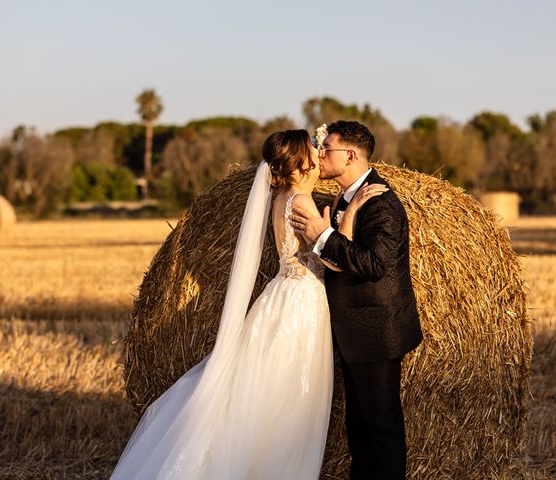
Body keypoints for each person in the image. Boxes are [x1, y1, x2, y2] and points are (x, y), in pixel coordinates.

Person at [110, 129, 382, 480]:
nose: (319, 154)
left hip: (282, 293)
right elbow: (331, 260)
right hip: (301, 304)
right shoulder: (301, 201)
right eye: (313, 150)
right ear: (300, 163)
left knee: (266, 389)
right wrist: (353, 209)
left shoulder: (282, 196)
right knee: (289, 400)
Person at [291, 120, 423, 480]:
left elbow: (373, 264)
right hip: (355, 331)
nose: (319, 153)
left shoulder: (379, 201)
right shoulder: (348, 196)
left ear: (349, 155)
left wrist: (322, 235)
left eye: (326, 147)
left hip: (376, 331)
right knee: (360, 427)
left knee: (380, 427)